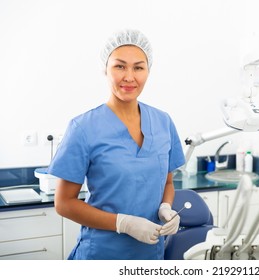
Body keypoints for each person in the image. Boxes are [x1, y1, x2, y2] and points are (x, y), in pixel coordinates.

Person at [48, 29, 186, 260]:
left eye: (138, 67)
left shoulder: (163, 122)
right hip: (102, 253)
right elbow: (64, 203)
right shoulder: (83, 128)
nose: (129, 77)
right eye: (120, 66)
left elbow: (168, 182)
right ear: (106, 69)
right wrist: (123, 223)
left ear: (148, 71)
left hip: (150, 254)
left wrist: (166, 208)